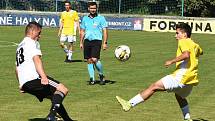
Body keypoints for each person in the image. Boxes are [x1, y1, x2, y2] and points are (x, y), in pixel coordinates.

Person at [116, 23, 203, 121]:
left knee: (153, 87)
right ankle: (187, 118)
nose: (175, 36)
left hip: (181, 77)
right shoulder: (195, 45)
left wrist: (172, 61)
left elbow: (186, 55)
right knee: (179, 96)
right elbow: (201, 51)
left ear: (184, 34)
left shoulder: (183, 41)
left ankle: (129, 104)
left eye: (177, 33)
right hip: (190, 81)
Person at [15, 21, 73, 121]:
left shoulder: (20, 46)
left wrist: (21, 84)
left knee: (55, 98)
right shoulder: (32, 43)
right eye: (39, 33)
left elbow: (16, 67)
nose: (40, 36)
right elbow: (36, 59)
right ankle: (51, 116)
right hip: (34, 78)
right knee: (63, 89)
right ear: (32, 31)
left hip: (25, 83)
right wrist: (43, 76)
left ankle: (67, 120)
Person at [80, 2, 108, 85]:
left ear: (96, 9)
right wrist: (81, 42)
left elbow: (105, 31)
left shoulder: (101, 18)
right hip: (87, 41)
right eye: (91, 8)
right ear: (88, 9)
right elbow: (82, 31)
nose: (93, 10)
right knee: (89, 60)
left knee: (95, 59)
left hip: (97, 41)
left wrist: (105, 43)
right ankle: (92, 79)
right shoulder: (85, 18)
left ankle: (101, 75)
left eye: (94, 8)